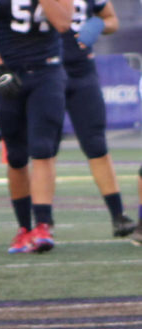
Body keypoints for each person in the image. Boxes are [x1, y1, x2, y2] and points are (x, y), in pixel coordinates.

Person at [0, 0, 74, 253]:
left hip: (46, 72)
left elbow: (63, 23)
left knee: (42, 148)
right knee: (16, 155)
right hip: (10, 72)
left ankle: (43, 225)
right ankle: (24, 229)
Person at [62, 0, 134, 237]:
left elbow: (112, 20)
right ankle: (42, 223)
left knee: (96, 144)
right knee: (43, 148)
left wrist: (97, 25)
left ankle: (118, 216)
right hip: (45, 72)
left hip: (83, 72)